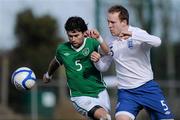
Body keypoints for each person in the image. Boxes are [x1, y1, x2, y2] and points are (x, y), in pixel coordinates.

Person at [91, 5, 174, 120]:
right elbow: (104, 67)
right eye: (108, 22)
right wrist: (97, 61)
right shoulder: (109, 40)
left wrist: (133, 35)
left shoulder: (138, 33)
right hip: (126, 93)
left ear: (124, 22)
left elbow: (157, 41)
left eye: (113, 22)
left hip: (147, 88)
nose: (109, 25)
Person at [43, 16, 111, 120]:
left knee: (104, 117)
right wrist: (48, 75)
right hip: (80, 96)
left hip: (100, 92)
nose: (73, 39)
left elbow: (107, 52)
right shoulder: (62, 49)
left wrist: (99, 38)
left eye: (76, 35)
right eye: (70, 36)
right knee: (104, 117)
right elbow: (55, 62)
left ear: (84, 33)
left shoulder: (91, 42)